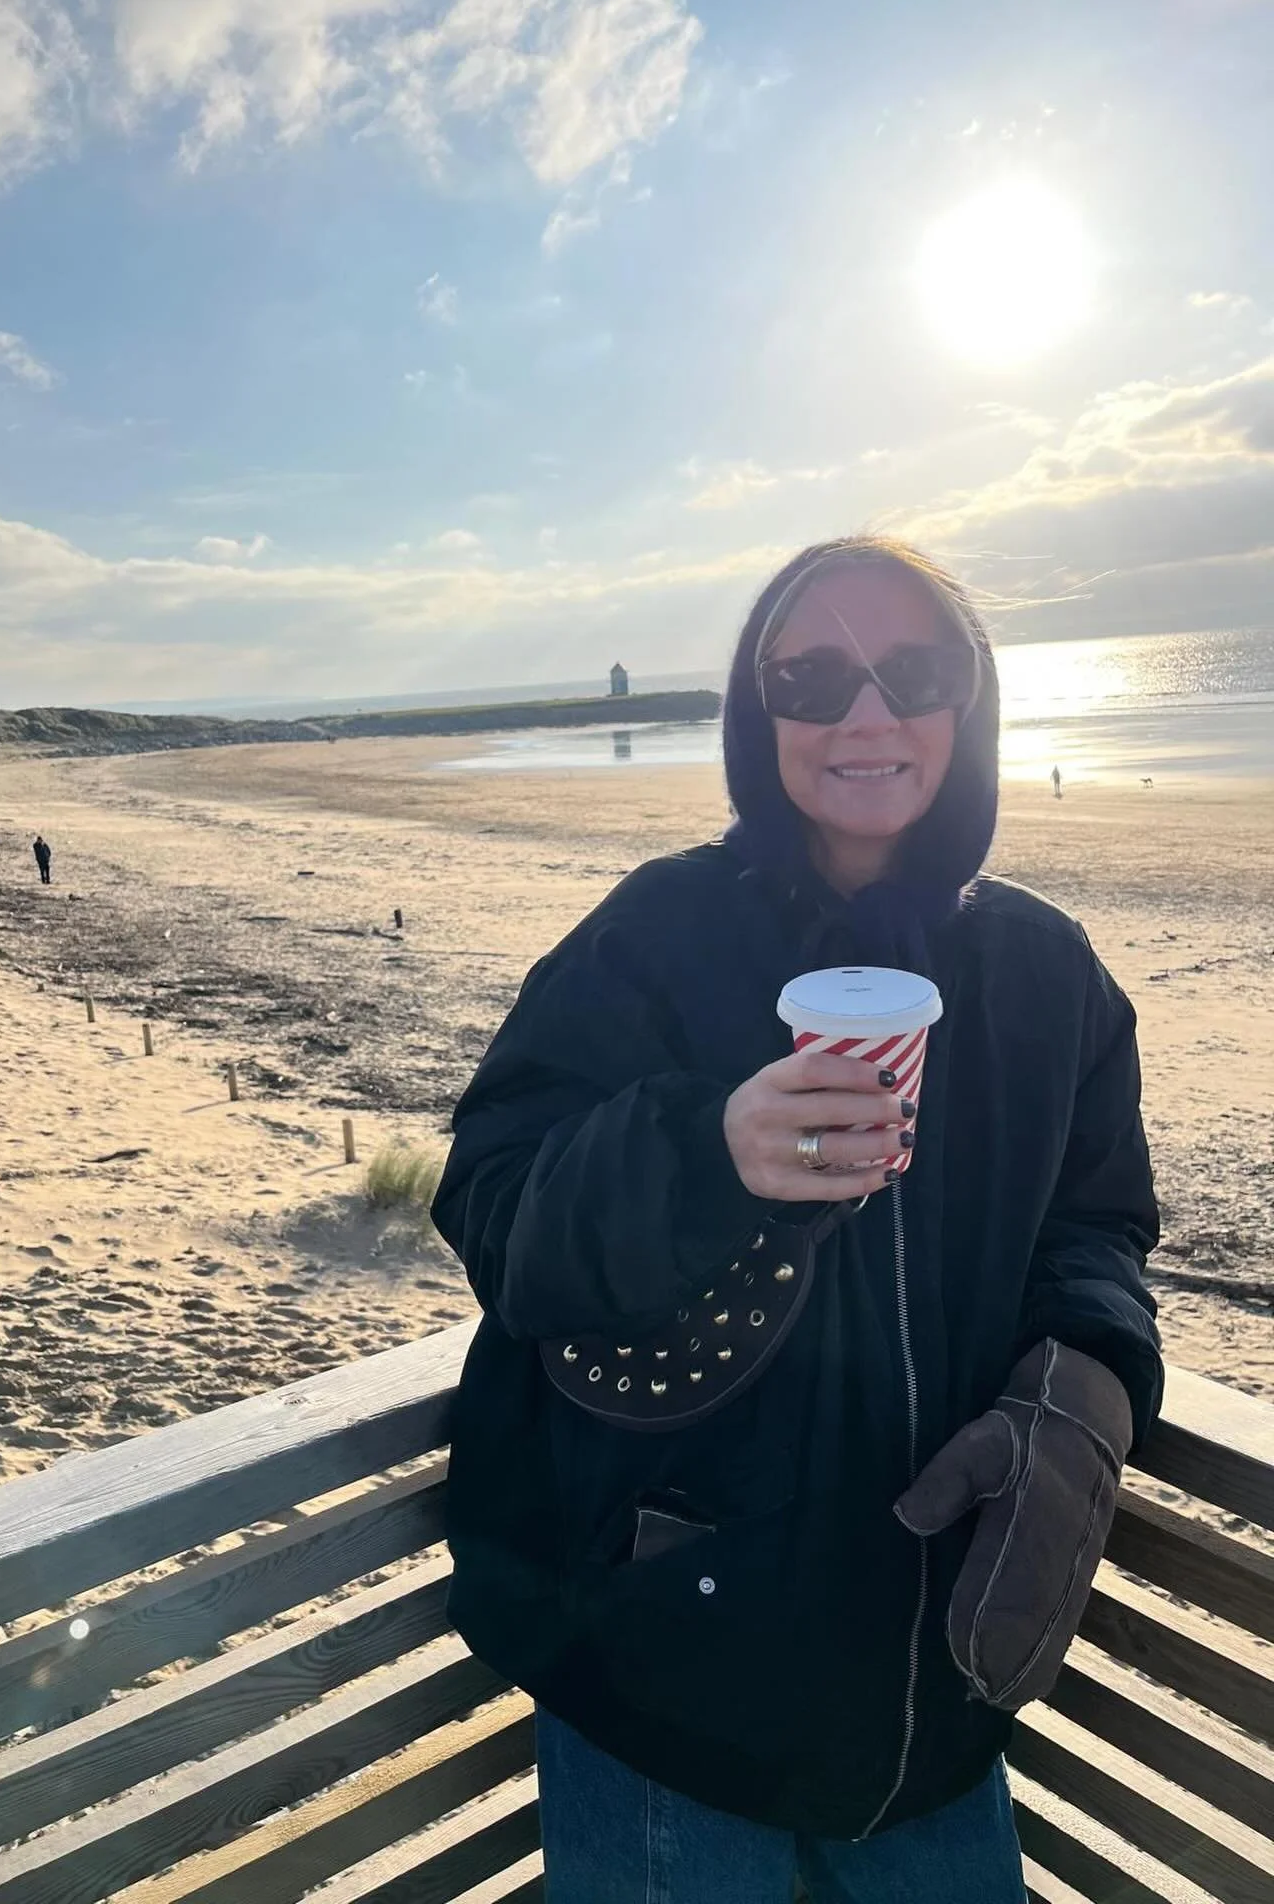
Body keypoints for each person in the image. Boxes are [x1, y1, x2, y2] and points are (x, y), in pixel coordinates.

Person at [431, 536, 1162, 1903]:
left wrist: (1084, 1390)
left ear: (971, 702)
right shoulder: (653, 937)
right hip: (666, 1680)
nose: (867, 715)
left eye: (915, 671)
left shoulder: (1045, 972)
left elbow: (1098, 1228)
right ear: (754, 714)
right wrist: (707, 1151)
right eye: (811, 676)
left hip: (928, 1692)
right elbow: (492, 1204)